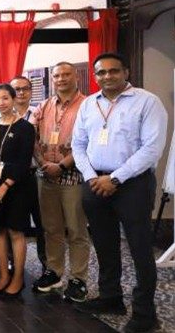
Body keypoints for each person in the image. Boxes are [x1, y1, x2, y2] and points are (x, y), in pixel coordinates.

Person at [72, 53, 166, 333]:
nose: (107, 77)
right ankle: (111, 297)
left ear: (126, 71)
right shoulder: (89, 104)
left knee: (139, 248)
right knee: (104, 244)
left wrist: (115, 178)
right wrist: (91, 177)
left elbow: (151, 149)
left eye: (113, 71)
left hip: (132, 184)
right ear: (95, 76)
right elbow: (78, 145)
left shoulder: (147, 102)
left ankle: (145, 314)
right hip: (94, 182)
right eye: (101, 73)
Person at [32, 62, 90, 302]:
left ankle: (78, 278)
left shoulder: (88, 105)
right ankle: (54, 272)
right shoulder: (44, 106)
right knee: (51, 228)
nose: (61, 79)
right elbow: (32, 137)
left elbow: (88, 142)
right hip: (46, 175)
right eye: (57, 75)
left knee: (76, 230)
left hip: (73, 175)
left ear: (75, 76)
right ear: (52, 79)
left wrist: (63, 165)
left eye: (66, 74)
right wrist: (43, 161)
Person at [0, 84, 35, 299]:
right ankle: (3, 276)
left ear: (13, 100)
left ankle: (18, 278)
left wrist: (5, 186)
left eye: (5, 98)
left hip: (17, 187)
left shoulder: (25, 127)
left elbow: (23, 162)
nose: (1, 103)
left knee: (15, 231)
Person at [8, 75, 46, 272]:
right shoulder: (0, 115)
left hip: (37, 175)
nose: (21, 93)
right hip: (12, 178)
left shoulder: (42, 113)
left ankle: (47, 266)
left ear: (31, 91)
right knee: (14, 222)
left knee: (43, 222)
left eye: (25, 88)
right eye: (16, 89)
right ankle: (13, 263)